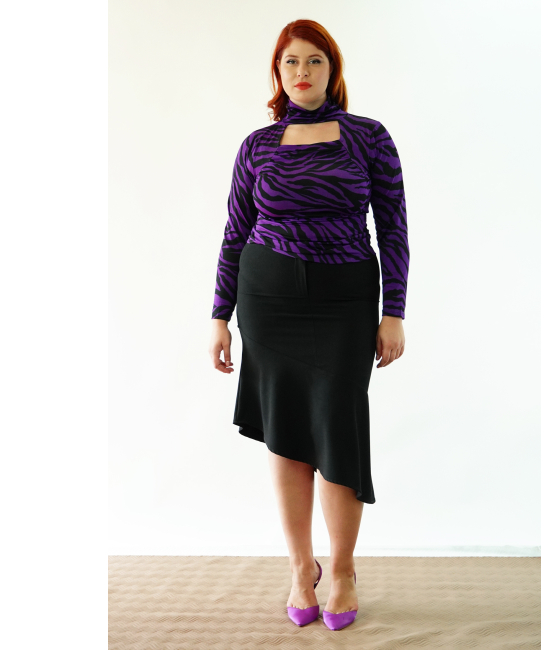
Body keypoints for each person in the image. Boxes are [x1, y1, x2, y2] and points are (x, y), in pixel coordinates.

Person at [208, 19, 410, 630]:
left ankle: (342, 570)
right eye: (291, 61)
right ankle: (302, 568)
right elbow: (235, 233)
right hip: (267, 302)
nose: (302, 71)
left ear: (332, 69)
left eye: (315, 60)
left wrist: (394, 312)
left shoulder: (369, 137)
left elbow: (394, 227)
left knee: (338, 432)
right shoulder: (257, 146)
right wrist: (219, 316)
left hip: (345, 303)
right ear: (278, 71)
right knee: (287, 435)